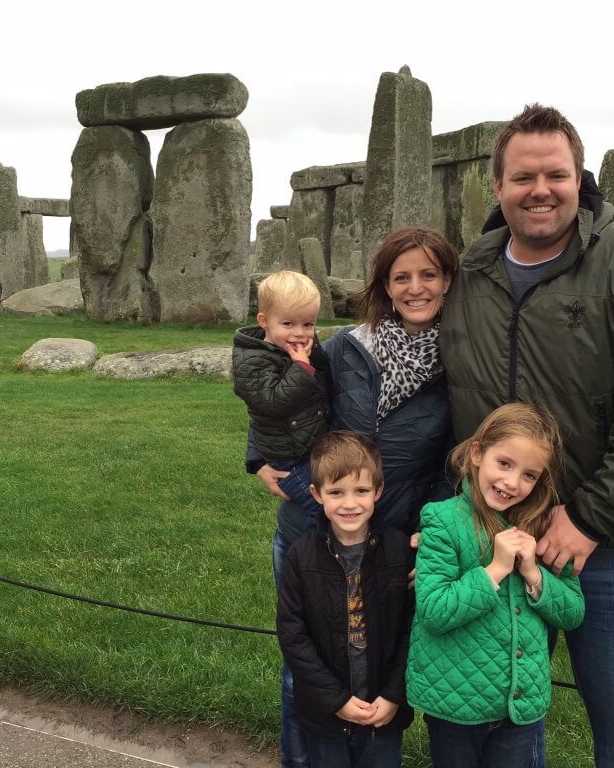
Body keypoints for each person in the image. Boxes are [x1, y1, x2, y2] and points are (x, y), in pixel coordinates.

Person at [440, 104, 614, 767]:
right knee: (498, 729)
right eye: (523, 176)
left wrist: (589, 518)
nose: (540, 190)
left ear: (580, 178)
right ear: (496, 185)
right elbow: (425, 390)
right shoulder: (470, 274)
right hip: (493, 540)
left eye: (556, 174)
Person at [250, 226, 458, 768]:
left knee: (383, 656)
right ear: (385, 285)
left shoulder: (460, 361)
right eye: (401, 276)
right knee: (306, 660)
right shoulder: (345, 347)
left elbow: (457, 459)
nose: (415, 288)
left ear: (448, 281)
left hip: (391, 543)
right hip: (310, 531)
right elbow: (282, 400)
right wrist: (258, 456)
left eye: (428, 275)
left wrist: (432, 530)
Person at [408, 403, 584, 768]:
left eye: (529, 475)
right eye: (504, 463)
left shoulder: (543, 525)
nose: (511, 483)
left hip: (519, 706)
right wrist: (496, 570)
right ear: (476, 453)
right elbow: (434, 611)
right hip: (455, 706)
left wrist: (535, 574)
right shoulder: (441, 520)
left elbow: (572, 613)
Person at [277, 431, 414, 768]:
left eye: (361, 491)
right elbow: (293, 635)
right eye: (336, 492)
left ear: (378, 491)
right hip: (326, 714)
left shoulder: (399, 551)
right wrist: (335, 700)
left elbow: (413, 630)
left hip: (383, 710)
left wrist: (395, 695)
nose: (350, 504)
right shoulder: (301, 556)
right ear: (316, 494)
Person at [234, 270, 330, 523]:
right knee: (324, 513)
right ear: (264, 321)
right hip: (287, 460)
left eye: (308, 324)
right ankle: (312, 556)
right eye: (289, 324)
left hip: (310, 449)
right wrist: (301, 368)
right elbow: (272, 403)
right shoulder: (252, 361)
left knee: (329, 509)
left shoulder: (293, 349)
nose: (300, 333)